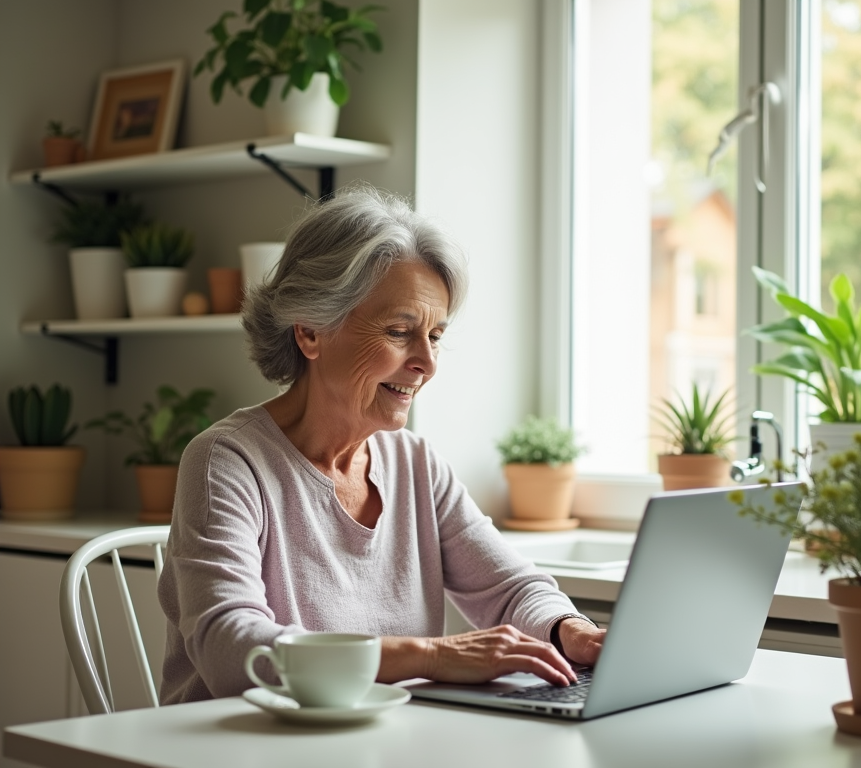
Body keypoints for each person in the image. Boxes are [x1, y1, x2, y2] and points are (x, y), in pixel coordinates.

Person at [158, 185, 606, 704]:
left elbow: (509, 588)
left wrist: (569, 629)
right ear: (310, 332)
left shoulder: (416, 464)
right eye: (400, 331)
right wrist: (430, 656)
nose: (427, 363)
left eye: (435, 336)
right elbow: (232, 652)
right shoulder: (228, 463)